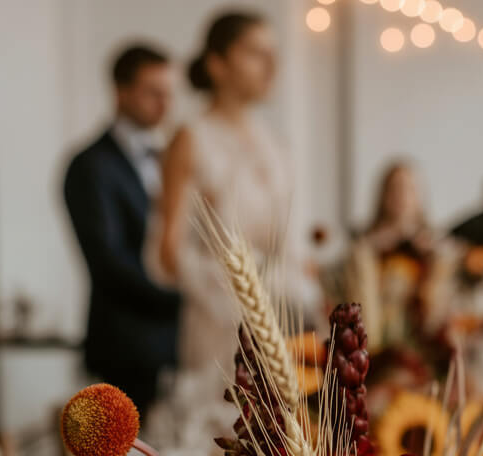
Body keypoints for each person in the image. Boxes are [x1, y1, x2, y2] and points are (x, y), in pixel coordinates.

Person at [156, 11, 303, 371]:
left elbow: (285, 243)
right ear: (217, 64)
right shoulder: (192, 138)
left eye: (274, 53)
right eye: (255, 53)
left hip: (282, 328)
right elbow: (167, 254)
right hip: (219, 336)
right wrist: (239, 293)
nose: (272, 65)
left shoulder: (274, 143)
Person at [64, 45, 180, 418]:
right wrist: (184, 299)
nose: (164, 104)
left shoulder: (174, 158)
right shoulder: (89, 166)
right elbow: (109, 262)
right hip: (125, 346)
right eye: (153, 92)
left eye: (169, 93)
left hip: (177, 345)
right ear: (121, 91)